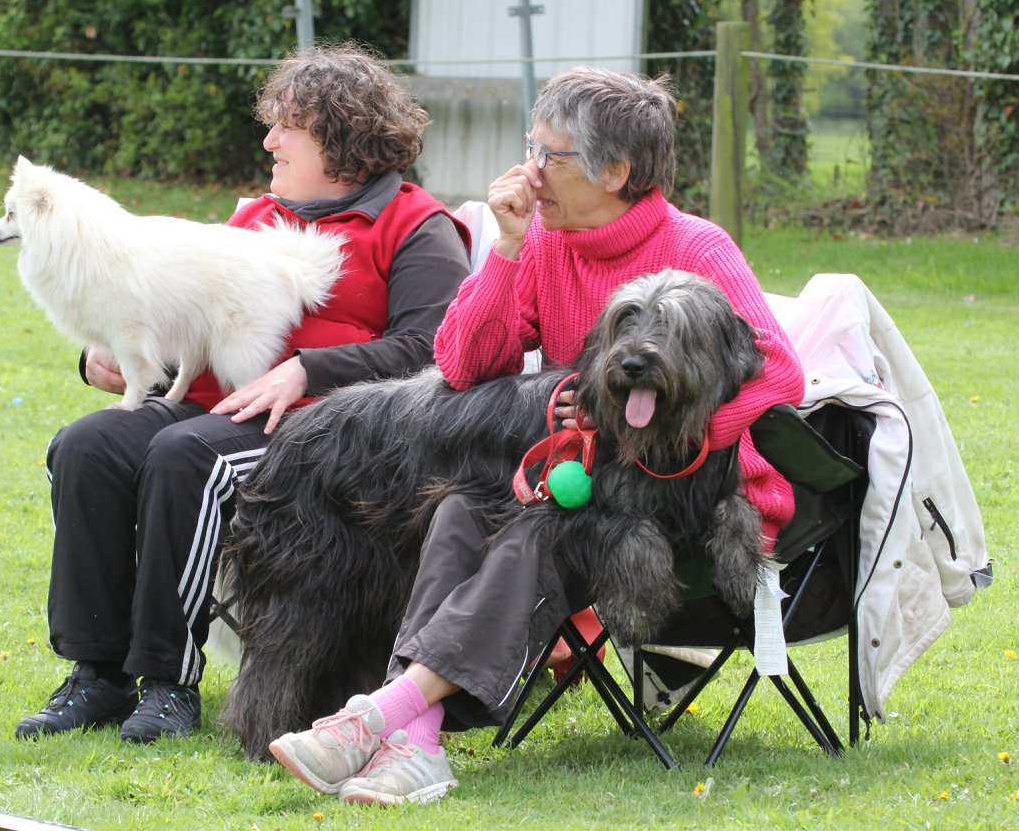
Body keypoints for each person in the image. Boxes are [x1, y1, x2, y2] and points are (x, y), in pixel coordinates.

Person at [266, 67, 805, 806]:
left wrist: (667, 435)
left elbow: (780, 372)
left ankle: (381, 717)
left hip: (681, 506)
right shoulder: (548, 243)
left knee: (531, 536)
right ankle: (413, 747)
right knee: (458, 508)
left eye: (551, 155)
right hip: (570, 481)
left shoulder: (698, 249)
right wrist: (509, 249)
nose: (530, 171)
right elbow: (460, 363)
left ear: (614, 171)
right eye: (533, 147)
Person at [15, 43, 472, 744]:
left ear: (342, 135)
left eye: (288, 126)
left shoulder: (416, 226)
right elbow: (177, 308)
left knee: (183, 456)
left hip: (324, 436)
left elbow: (430, 349)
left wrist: (306, 370)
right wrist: (104, 357)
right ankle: (95, 673)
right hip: (208, 403)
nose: (269, 140)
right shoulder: (257, 217)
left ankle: (168, 684)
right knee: (89, 446)